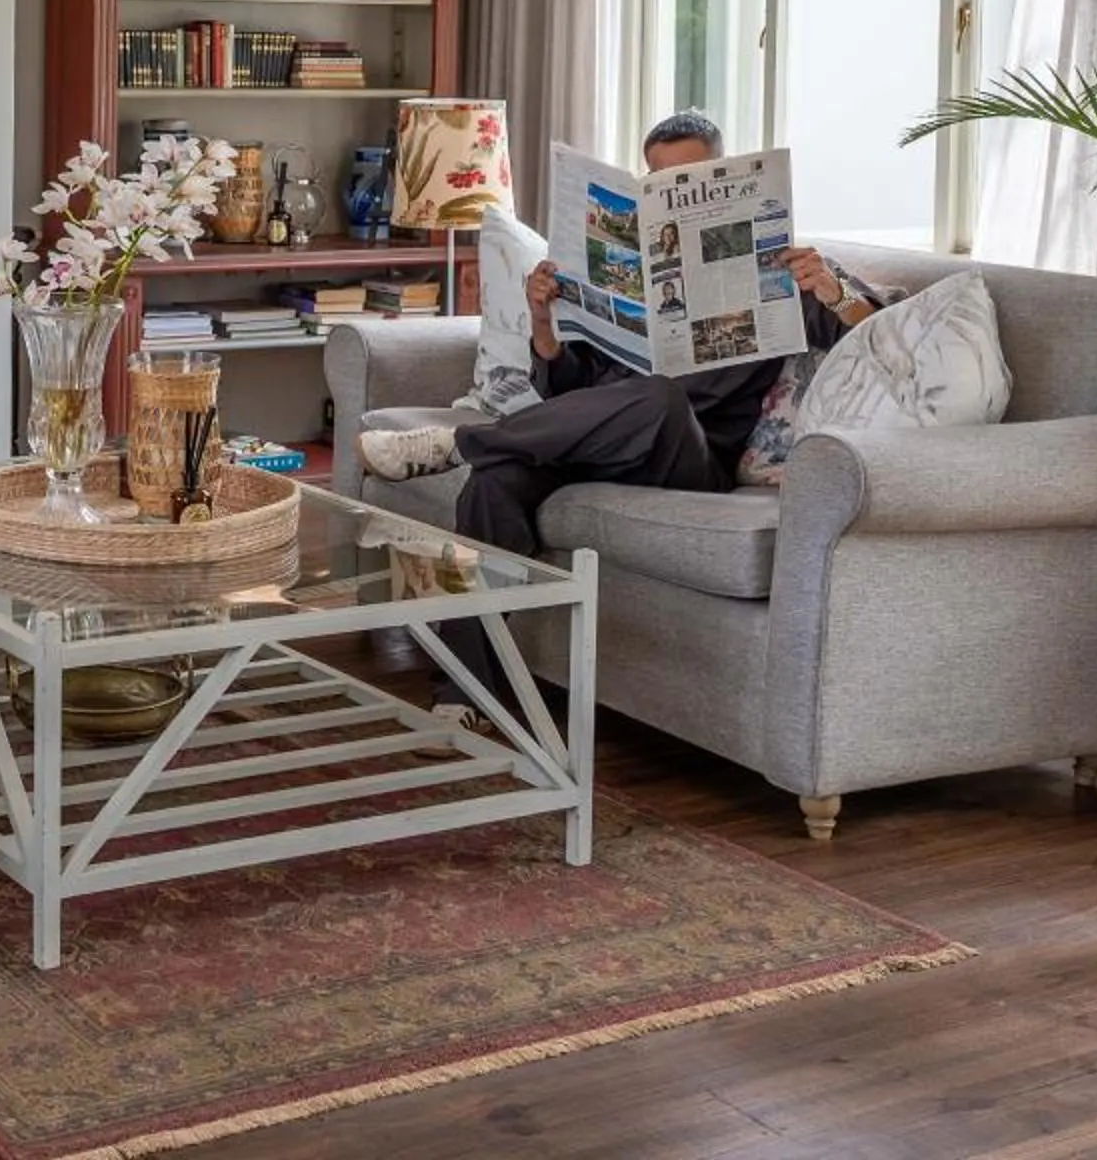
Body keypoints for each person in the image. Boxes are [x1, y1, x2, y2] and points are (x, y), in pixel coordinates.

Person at [356, 110, 884, 720]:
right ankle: (465, 692)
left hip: (686, 451)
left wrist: (834, 292)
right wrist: (544, 323)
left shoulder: (781, 267)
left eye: (688, 178)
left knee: (659, 397)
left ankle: (462, 441)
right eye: (657, 181)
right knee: (493, 485)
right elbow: (568, 386)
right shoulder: (628, 262)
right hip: (594, 438)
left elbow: (879, 336)